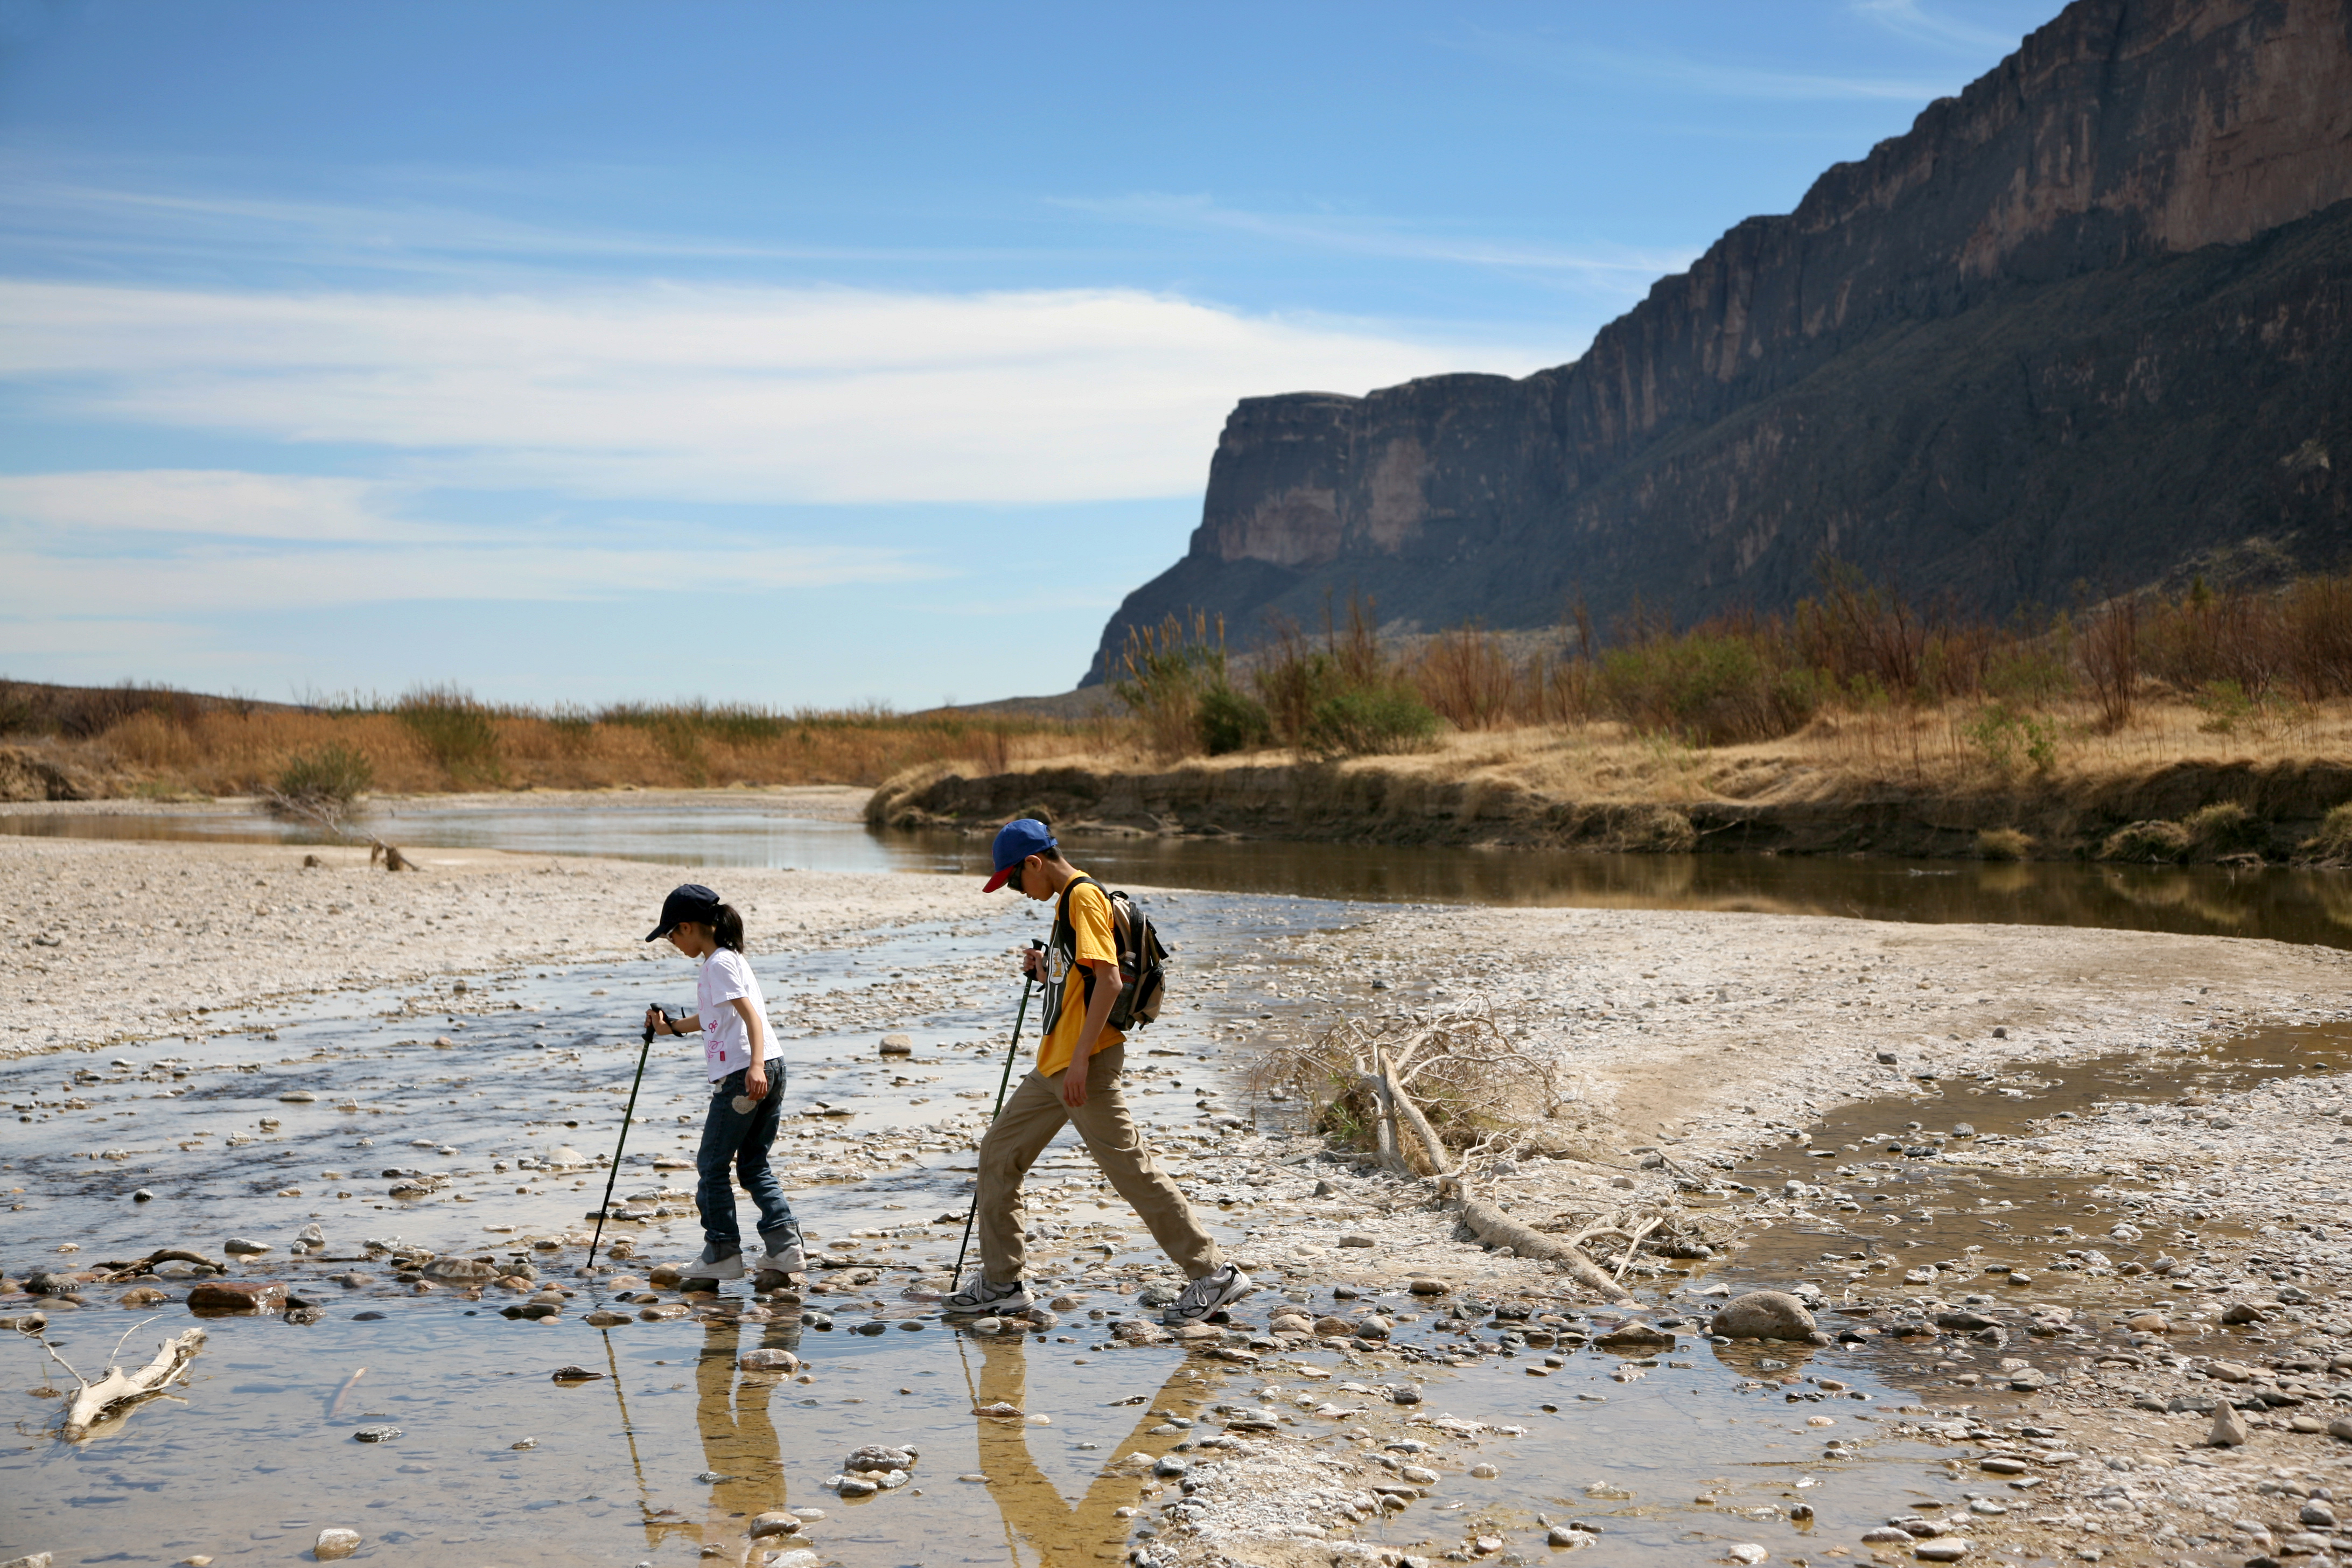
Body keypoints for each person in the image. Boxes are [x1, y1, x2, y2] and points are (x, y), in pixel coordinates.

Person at [945, 819, 1250, 1325]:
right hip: (1056, 1066)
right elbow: (1083, 980)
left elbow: (1109, 982)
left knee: (1131, 1168)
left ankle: (1214, 1274)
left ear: (1034, 864)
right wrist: (1046, 972)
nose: (1019, 892)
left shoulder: (1082, 897)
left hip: (1082, 1063)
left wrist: (1083, 1060)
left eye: (1016, 881)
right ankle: (1003, 1284)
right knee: (998, 1152)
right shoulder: (1068, 902)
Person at [643, 883, 803, 1286]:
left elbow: (750, 1017)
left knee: (712, 1166)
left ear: (687, 927)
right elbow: (713, 1016)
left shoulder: (717, 964)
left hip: (743, 1073)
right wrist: (672, 1028)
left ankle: (722, 1252)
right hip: (769, 1064)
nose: (672, 944)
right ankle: (785, 1248)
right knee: (752, 1165)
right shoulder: (729, 959)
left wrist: (753, 1067)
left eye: (671, 936)